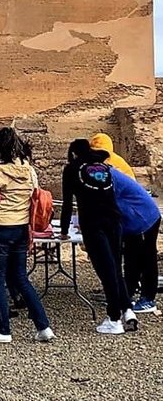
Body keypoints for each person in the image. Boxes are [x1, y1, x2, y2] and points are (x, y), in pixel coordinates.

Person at [0, 127, 55, 344]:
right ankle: (43, 325)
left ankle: (3, 330)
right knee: (20, 277)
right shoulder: (28, 170)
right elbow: (35, 196)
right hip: (21, 228)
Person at [59, 140, 137, 334]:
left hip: (93, 223)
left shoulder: (72, 169)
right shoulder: (104, 166)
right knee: (115, 267)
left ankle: (114, 319)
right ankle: (127, 310)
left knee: (106, 269)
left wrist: (63, 230)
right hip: (114, 219)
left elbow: (68, 203)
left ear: (74, 153)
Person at [110, 168, 161, 313]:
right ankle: (127, 295)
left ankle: (148, 298)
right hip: (130, 221)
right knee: (131, 258)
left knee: (146, 258)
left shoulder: (105, 177)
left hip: (143, 218)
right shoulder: (101, 174)